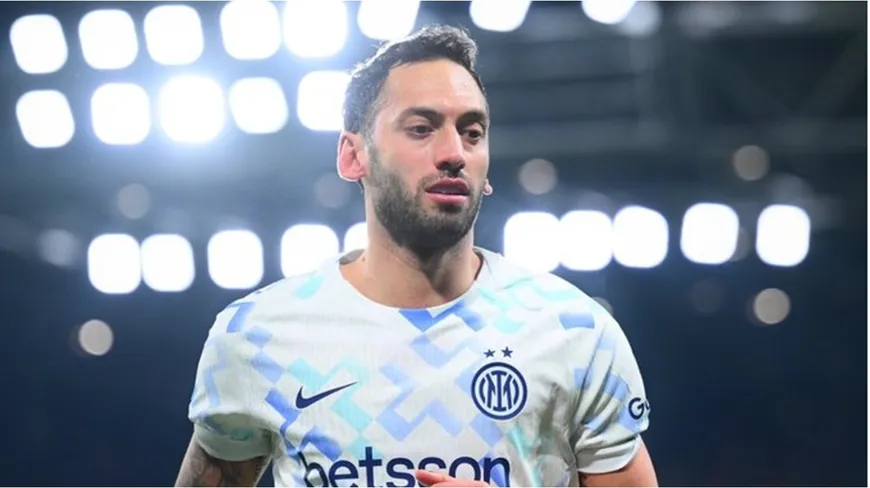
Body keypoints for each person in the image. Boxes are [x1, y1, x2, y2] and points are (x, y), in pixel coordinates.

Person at [175, 24, 657, 488]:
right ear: (353, 156)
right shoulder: (257, 336)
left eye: (472, 132)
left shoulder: (574, 331)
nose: (454, 153)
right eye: (422, 128)